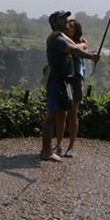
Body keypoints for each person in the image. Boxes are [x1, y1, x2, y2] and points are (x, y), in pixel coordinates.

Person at [41, 11, 100, 162]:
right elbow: (74, 49)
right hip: (57, 81)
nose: (66, 20)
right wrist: (91, 56)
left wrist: (84, 45)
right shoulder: (57, 38)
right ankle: (46, 151)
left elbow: (77, 45)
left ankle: (49, 150)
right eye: (62, 19)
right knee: (52, 116)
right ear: (54, 22)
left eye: (66, 18)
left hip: (63, 81)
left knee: (58, 114)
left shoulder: (61, 36)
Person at [56, 18, 87, 157]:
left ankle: (71, 146)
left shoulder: (79, 43)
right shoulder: (62, 41)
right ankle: (58, 145)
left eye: (71, 26)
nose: (68, 27)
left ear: (76, 30)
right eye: (68, 25)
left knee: (73, 114)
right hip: (63, 80)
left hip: (75, 80)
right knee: (61, 113)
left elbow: (80, 58)